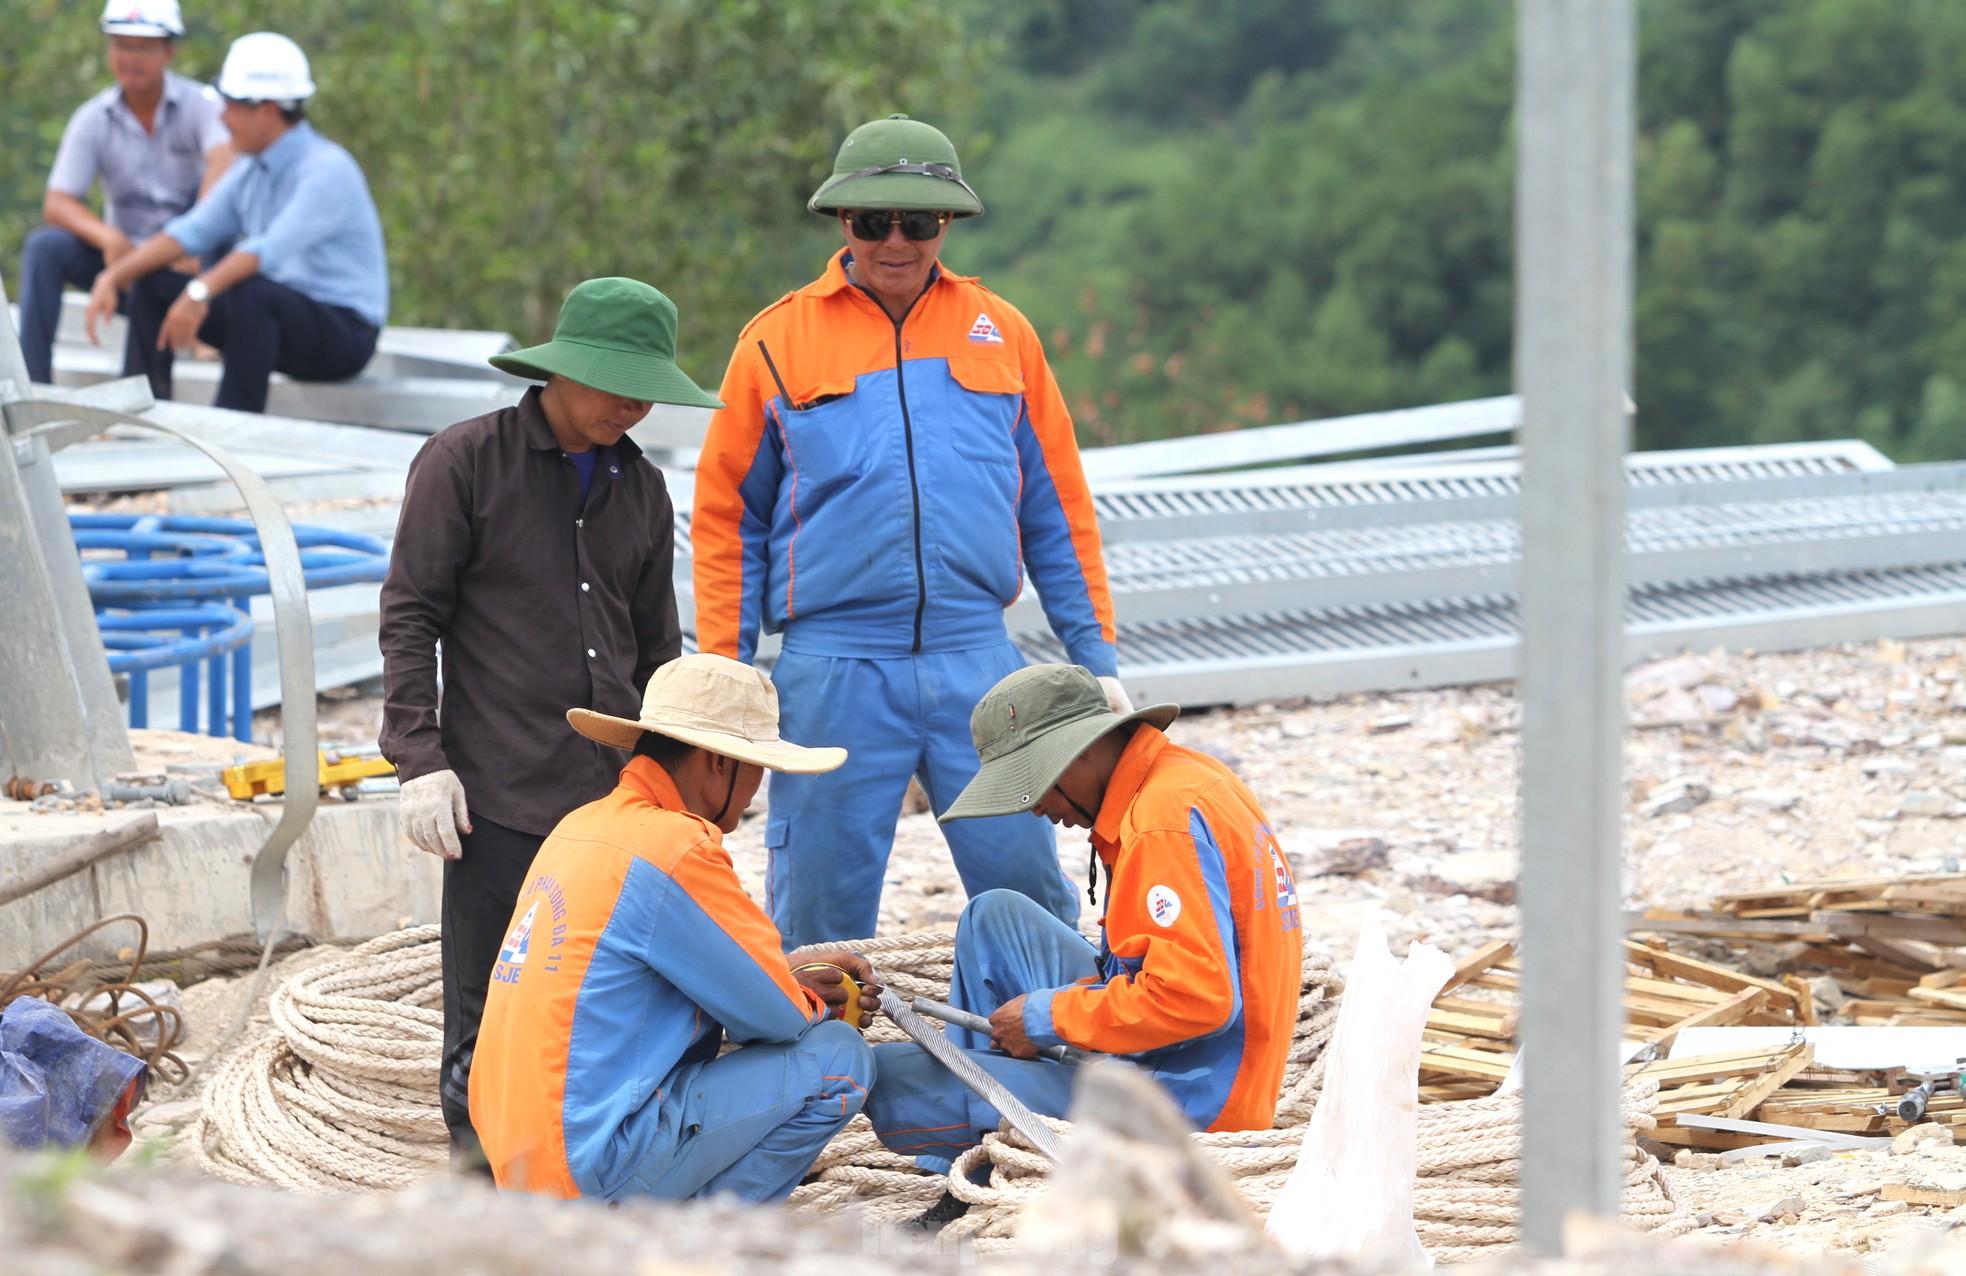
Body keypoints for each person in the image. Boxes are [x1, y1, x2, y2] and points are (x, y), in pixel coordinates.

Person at [692, 113, 1126, 951]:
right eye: (873, 222)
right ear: (842, 225)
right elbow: (726, 520)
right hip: (832, 669)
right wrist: (725, 669)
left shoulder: (1005, 336)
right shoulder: (774, 342)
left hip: (980, 660)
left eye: (918, 222)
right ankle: (823, 1072)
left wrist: (1096, 660)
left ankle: (1053, 1059)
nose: (896, 241)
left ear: (948, 225)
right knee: (818, 907)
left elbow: (1058, 510)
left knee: (1027, 887)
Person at [378, 276, 723, 1161]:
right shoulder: (463, 463)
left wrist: (683, 786)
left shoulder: (642, 491)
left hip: (613, 799)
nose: (632, 406)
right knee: (487, 1012)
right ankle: (482, 1193)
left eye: (645, 390)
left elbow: (657, 655)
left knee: (623, 999)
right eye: (616, 384)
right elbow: (411, 612)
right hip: (497, 795)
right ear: (562, 372)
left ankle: (608, 1171)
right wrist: (419, 758)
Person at [861, 663, 1304, 1176]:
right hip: (1177, 1059)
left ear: (1084, 750)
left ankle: (989, 1166)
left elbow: (1199, 999)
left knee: (893, 1077)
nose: (1035, 808)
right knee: (995, 916)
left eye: (1034, 784)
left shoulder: (1161, 828)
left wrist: (1045, 1018)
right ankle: (991, 1128)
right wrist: (1075, 1003)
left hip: (1188, 1104)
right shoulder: (1182, 779)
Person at [468, 653, 880, 1202]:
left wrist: (785, 975)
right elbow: (779, 1019)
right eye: (754, 765)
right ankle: (699, 1246)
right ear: (717, 763)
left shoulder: (578, 828)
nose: (758, 785)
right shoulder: (676, 846)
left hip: (517, 1163)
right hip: (589, 1167)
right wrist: (808, 998)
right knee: (837, 1057)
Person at [82, 31, 387, 413]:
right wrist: (113, 276)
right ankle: (140, 413)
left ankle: (234, 425)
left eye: (230, 106)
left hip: (344, 337)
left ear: (267, 109)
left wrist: (198, 293)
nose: (222, 119)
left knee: (253, 291)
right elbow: (190, 231)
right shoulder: (249, 169)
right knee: (153, 282)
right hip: (274, 322)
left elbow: (266, 251)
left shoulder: (327, 170)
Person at [15, 0, 231, 385]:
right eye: (121, 45)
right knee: (45, 247)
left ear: (168, 51)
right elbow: (58, 201)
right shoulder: (93, 118)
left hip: (188, 267)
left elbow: (224, 161)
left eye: (144, 47)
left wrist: (190, 238)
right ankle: (34, 386)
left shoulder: (202, 107)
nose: (131, 58)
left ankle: (192, 348)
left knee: (225, 230)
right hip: (125, 263)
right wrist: (108, 237)